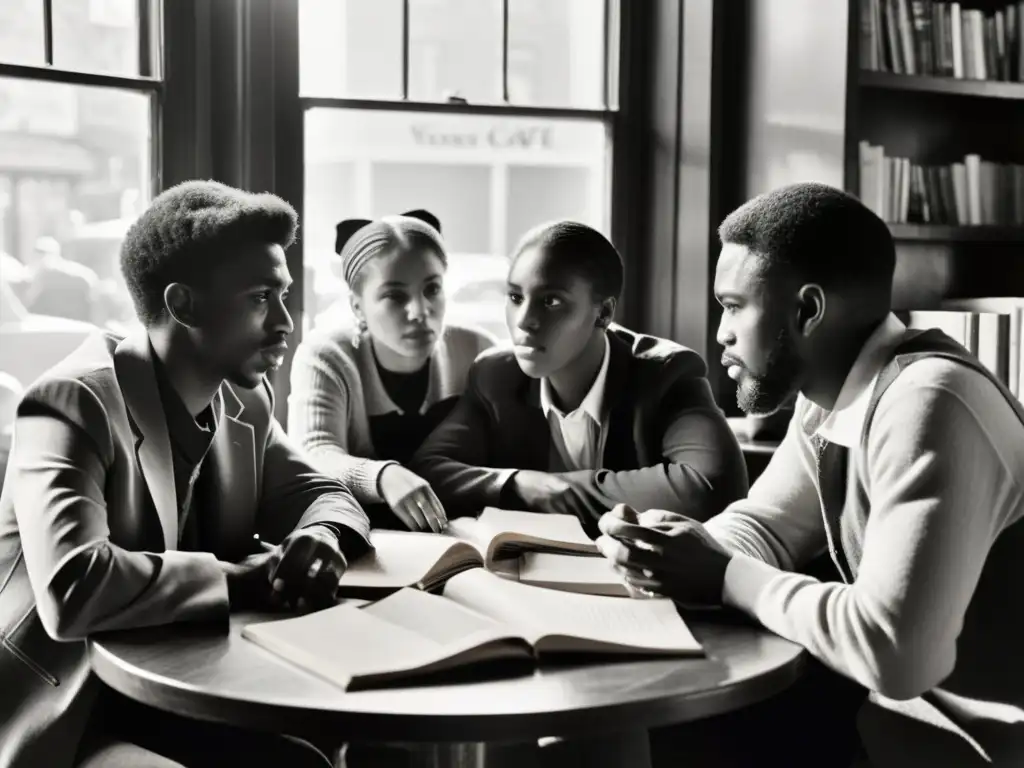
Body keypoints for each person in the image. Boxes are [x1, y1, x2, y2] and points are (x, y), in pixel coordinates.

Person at [597, 182, 1024, 767]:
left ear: (807, 310)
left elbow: (895, 656)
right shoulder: (830, 395)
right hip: (904, 739)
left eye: (733, 306)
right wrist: (666, 548)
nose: (720, 332)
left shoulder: (930, 401)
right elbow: (769, 525)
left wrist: (720, 573)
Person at [0, 181, 373, 768]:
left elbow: (324, 494)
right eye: (260, 297)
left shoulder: (245, 400)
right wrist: (242, 581)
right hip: (67, 717)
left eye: (284, 295)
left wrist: (318, 540)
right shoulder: (71, 403)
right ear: (184, 305)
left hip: (186, 694)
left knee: (308, 760)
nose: (285, 322)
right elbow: (72, 589)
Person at [409, 220, 748, 532]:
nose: (524, 321)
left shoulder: (666, 373)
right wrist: (519, 485)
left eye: (551, 301)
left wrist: (552, 491)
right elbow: (427, 470)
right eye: (515, 297)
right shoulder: (496, 375)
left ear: (603, 313)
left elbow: (710, 488)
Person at [288, 211, 495, 534]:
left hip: (468, 534)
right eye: (395, 296)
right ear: (358, 307)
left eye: (432, 289)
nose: (419, 311)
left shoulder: (479, 349)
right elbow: (313, 455)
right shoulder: (327, 355)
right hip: (370, 541)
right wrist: (383, 476)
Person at [20, 235, 100, 324]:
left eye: (41, 252)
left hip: (53, 324)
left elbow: (26, 302)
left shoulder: (38, 274)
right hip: (71, 324)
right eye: (38, 252)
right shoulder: (82, 274)